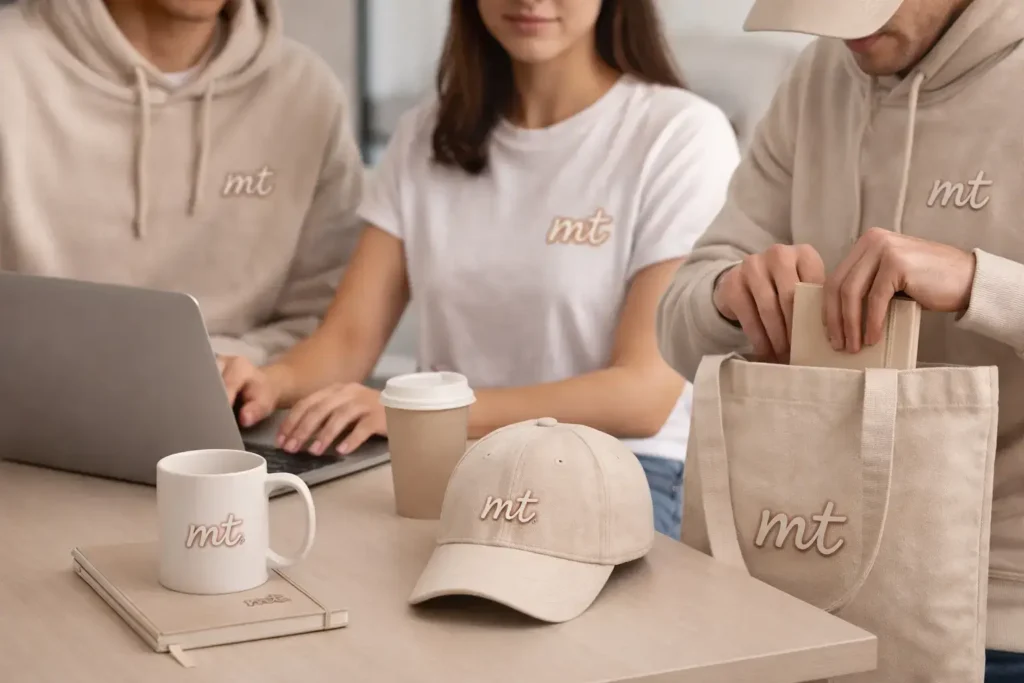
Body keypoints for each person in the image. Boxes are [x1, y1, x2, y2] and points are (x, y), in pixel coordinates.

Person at [219, 0, 740, 539]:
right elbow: (348, 340)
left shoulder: (679, 135)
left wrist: (424, 414)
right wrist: (268, 381)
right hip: (449, 464)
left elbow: (642, 395)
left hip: (618, 468)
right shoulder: (424, 134)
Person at [655, 0, 1024, 676]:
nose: (844, 26)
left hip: (997, 614)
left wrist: (979, 283)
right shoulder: (819, 76)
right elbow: (677, 330)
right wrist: (731, 297)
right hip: (785, 580)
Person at [0, 0, 365, 365]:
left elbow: (325, 325)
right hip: (26, 389)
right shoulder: (12, 65)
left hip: (245, 394)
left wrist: (230, 373)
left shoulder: (307, 93)